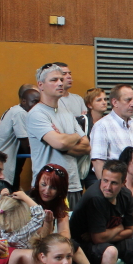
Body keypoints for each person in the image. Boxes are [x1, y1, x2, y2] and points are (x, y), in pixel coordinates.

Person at [25, 64, 90, 207]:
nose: (60, 83)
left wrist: (62, 139)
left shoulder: (66, 112)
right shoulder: (36, 114)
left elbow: (86, 146)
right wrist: (73, 137)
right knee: (51, 228)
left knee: (73, 229)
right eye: (54, 80)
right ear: (40, 85)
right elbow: (60, 143)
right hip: (47, 187)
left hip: (72, 184)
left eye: (61, 79)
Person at [29, 164, 91, 264]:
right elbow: (37, 238)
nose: (47, 191)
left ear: (60, 190)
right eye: (43, 184)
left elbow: (65, 234)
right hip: (29, 245)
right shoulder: (28, 199)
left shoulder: (59, 203)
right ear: (37, 183)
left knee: (72, 246)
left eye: (53, 187)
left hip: (49, 244)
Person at [90, 84, 133, 183]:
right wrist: (108, 189)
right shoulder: (102, 126)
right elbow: (98, 163)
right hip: (116, 187)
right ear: (115, 102)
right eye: (128, 100)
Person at [0, 85, 38, 193]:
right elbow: (27, 145)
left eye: (39, 102)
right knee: (4, 205)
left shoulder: (14, 110)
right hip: (0, 167)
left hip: (3, 166)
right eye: (34, 101)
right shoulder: (20, 113)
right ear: (23, 101)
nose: (37, 106)